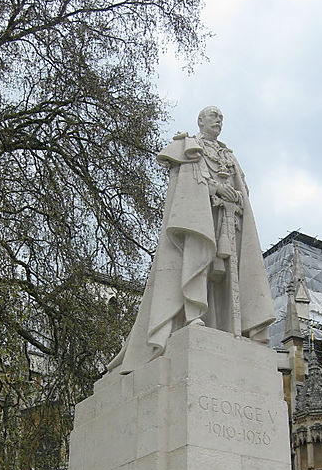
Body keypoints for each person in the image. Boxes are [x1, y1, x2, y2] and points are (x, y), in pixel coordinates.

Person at [107, 106, 275, 375]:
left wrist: (236, 197)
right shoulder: (189, 146)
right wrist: (214, 189)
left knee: (222, 276)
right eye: (214, 116)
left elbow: (241, 187)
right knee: (199, 261)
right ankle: (193, 315)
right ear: (200, 120)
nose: (219, 120)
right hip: (198, 219)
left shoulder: (229, 156)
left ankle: (220, 323)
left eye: (222, 117)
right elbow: (186, 185)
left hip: (227, 218)